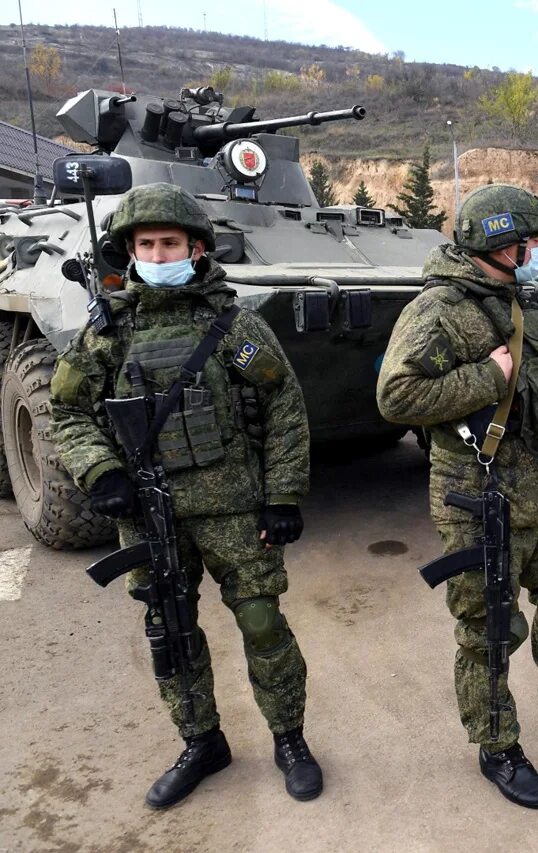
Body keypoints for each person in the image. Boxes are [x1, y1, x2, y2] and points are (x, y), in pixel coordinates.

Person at [49, 182, 321, 809]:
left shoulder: (232, 325)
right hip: (149, 512)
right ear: (130, 252)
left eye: (170, 242)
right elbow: (68, 412)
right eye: (146, 243)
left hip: (232, 507)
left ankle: (290, 739)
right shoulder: (107, 332)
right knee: (169, 630)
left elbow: (283, 403)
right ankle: (202, 742)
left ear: (197, 249)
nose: (158, 251)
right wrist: (101, 474)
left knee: (261, 622)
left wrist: (282, 496)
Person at [377, 184, 538, 809]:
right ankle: (497, 745)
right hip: (479, 499)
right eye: (532, 242)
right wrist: (488, 375)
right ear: (502, 245)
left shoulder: (519, 302)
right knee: (490, 629)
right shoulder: (440, 310)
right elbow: (396, 397)